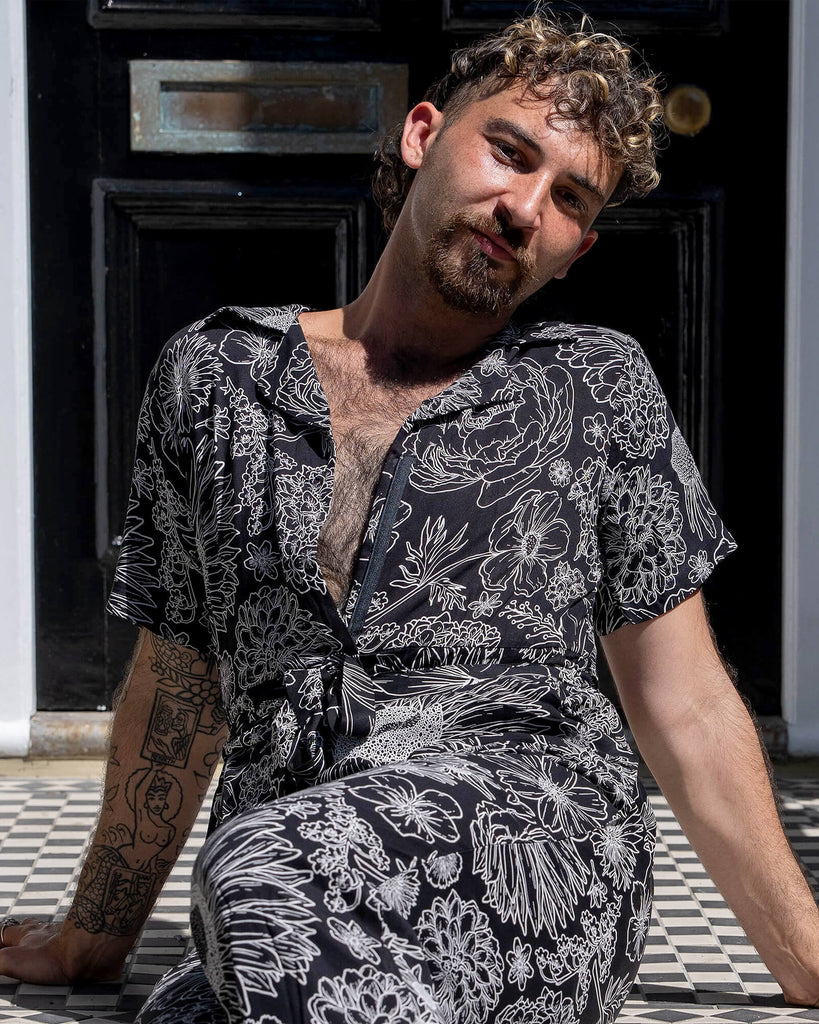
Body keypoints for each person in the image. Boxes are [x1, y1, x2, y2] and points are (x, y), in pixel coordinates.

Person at [2, 9, 819, 1024]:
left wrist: (809, 958)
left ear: (577, 249)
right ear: (424, 134)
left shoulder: (594, 390)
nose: (523, 207)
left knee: (258, 876)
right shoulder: (214, 378)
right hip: (287, 887)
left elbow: (686, 703)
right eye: (509, 152)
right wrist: (96, 933)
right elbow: (179, 679)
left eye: (568, 198)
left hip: (537, 856)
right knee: (199, 995)